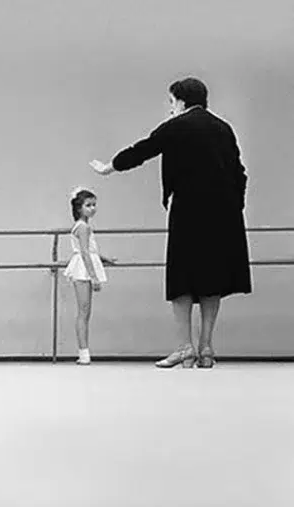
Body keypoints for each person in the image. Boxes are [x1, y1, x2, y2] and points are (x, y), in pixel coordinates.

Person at [90, 77, 250, 369]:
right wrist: (235, 206)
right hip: (224, 213)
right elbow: (240, 172)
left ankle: (184, 347)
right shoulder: (223, 128)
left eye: (171, 101)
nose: (170, 107)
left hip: (190, 209)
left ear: (180, 100)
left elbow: (143, 150)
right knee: (212, 277)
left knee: (182, 276)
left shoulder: (177, 126)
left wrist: (108, 168)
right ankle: (206, 348)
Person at [64, 187, 118, 365]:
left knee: (85, 312)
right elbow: (85, 252)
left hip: (85, 265)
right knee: (84, 311)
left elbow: (90, 250)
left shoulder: (85, 227)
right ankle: (83, 352)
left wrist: (105, 259)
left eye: (94, 205)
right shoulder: (83, 227)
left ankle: (84, 351)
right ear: (79, 208)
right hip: (83, 268)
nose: (93, 208)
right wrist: (94, 277)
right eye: (88, 205)